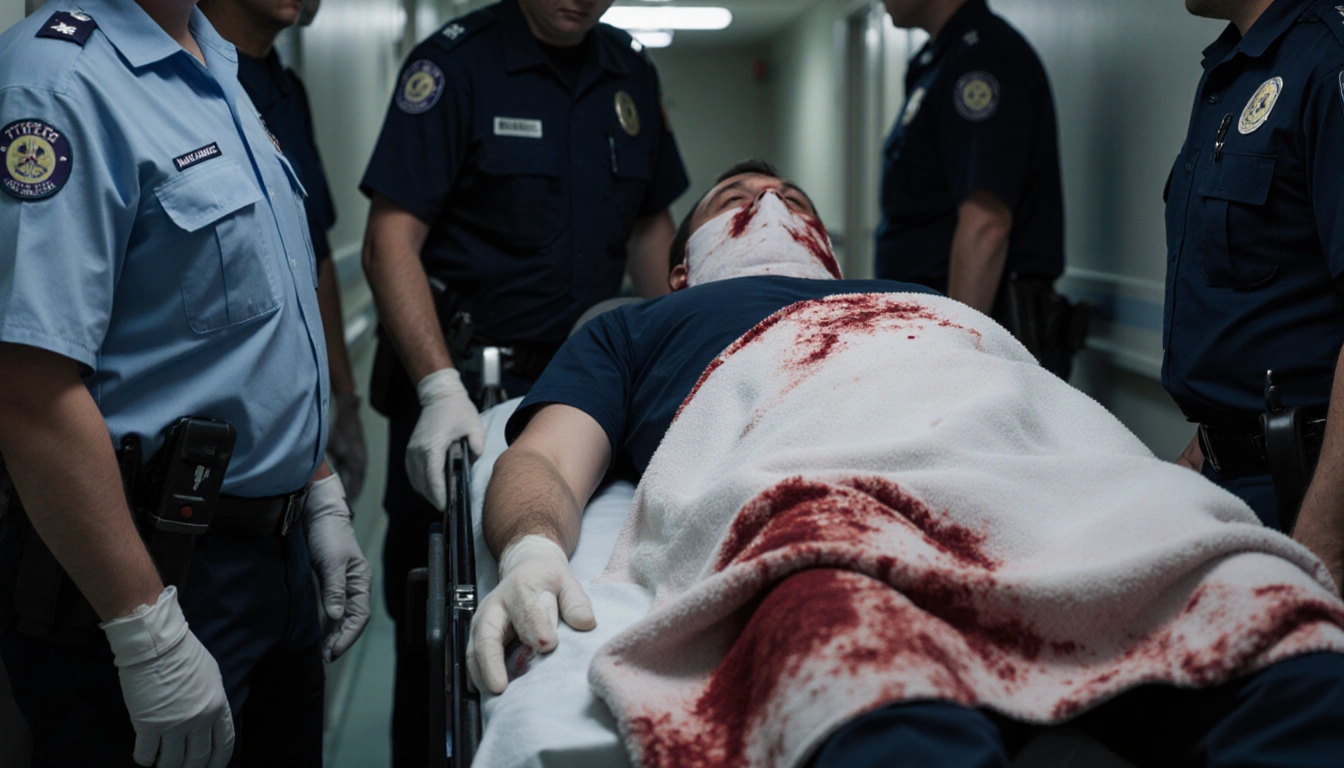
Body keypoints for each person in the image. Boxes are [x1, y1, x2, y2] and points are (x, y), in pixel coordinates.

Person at [472, 162, 1344, 767]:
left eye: (791, 198)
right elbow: (544, 458)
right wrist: (532, 548)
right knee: (850, 657)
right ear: (677, 272)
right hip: (828, 497)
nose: (769, 205)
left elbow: (1035, 398)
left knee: (1274, 622)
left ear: (830, 250)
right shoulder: (635, 330)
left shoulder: (921, 301)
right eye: (734, 198)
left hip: (1054, 478)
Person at [0, 2, 371, 766]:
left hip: (274, 559)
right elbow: (28, 391)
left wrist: (318, 484)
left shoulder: (215, 62)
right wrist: (146, 632)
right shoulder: (59, 80)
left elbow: (256, 334)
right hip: (149, 571)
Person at [358, 0, 689, 762]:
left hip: (586, 392)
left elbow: (648, 231)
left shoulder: (628, 70)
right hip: (465, 387)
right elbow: (389, 241)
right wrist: (438, 385)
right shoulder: (455, 65)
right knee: (437, 623)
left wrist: (682, 352)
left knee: (580, 583)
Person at [1164, 0, 1344, 578]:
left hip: (1312, 493)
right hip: (1233, 480)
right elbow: (1254, 309)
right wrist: (1207, 449)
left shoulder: (1326, 57)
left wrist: (1324, 550)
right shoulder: (1234, 69)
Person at [197, 0, 367, 501]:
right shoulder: (185, 83)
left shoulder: (288, 92)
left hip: (289, 445)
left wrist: (345, 396)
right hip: (208, 445)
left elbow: (314, 254)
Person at [874, 0, 1081, 375]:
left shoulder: (982, 58)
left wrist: (958, 362)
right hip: (933, 331)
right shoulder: (939, 61)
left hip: (984, 339)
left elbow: (986, 223)